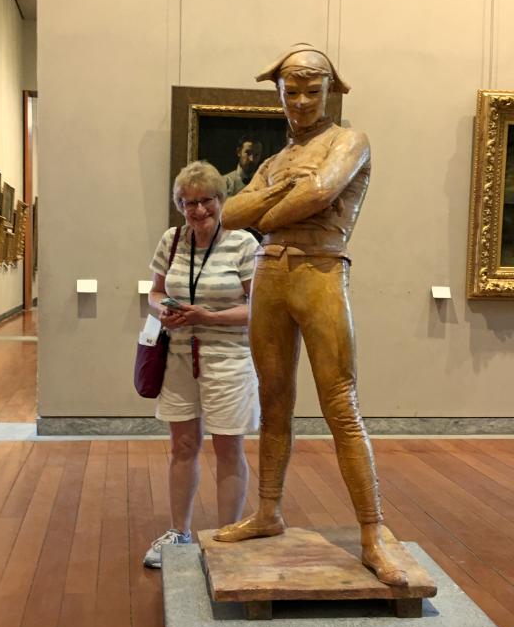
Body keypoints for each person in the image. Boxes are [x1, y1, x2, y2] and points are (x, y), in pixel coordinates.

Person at [214, 43, 408, 587]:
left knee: (340, 403)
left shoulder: (350, 141)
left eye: (311, 89)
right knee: (273, 400)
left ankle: (373, 533)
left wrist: (274, 205)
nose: (300, 100)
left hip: (322, 272)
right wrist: (286, 194)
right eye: (290, 90)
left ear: (330, 91)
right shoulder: (276, 162)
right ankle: (268, 511)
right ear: (278, 93)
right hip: (271, 275)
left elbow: (321, 191)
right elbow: (230, 213)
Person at [143, 160, 260, 568]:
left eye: (206, 201)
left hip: (228, 359)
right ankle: (179, 533)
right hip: (178, 359)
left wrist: (206, 317)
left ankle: (226, 540)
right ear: (180, 205)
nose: (198, 211)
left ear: (221, 200)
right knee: (183, 446)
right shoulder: (171, 240)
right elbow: (155, 293)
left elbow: (257, 307)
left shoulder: (244, 244)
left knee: (229, 448)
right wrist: (164, 312)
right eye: (188, 202)